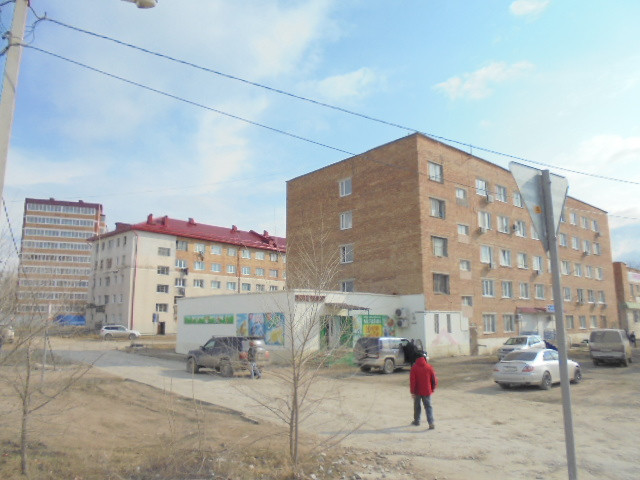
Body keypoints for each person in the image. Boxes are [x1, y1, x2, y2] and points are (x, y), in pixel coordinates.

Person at [410, 354, 438, 429]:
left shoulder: (414, 368)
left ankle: (417, 421)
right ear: (424, 358)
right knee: (428, 406)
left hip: (417, 391)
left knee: (417, 406)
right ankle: (431, 423)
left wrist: (412, 392)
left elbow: (412, 381)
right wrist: (433, 388)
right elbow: (434, 379)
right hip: (427, 390)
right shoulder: (429, 367)